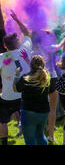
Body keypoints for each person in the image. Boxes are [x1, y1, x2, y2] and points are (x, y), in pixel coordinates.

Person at [0, 10, 32, 145]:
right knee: (26, 119)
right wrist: (17, 20)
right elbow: (27, 33)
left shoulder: (2, 58)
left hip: (7, 96)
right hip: (24, 95)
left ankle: (5, 143)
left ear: (4, 46)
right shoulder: (24, 50)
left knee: (2, 121)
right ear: (18, 42)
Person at [13, 55, 55, 145]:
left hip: (28, 112)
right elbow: (51, 91)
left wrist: (16, 75)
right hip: (43, 112)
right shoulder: (46, 77)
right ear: (43, 65)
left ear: (31, 65)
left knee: (30, 140)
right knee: (40, 136)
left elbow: (15, 89)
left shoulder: (25, 77)